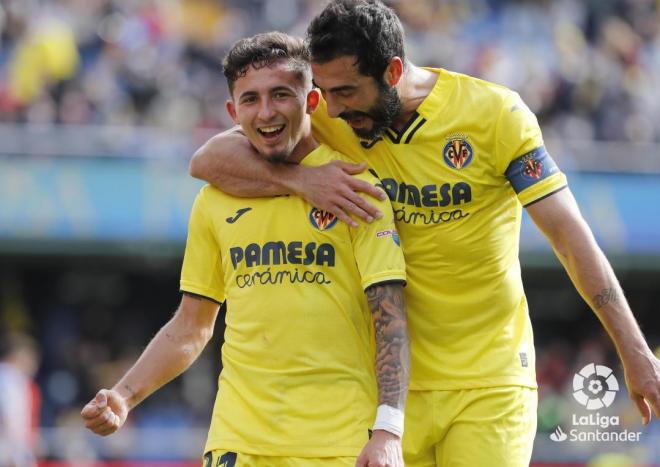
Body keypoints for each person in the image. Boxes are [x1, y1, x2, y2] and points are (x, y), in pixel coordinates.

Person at [188, 1, 660, 466]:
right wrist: (299, 179)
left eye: (347, 92)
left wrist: (634, 353)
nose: (331, 107)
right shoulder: (334, 115)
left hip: (488, 380)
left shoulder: (495, 115)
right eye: (326, 92)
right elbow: (206, 160)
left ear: (392, 72)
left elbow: (570, 238)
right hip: (388, 390)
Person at [81, 32, 410, 467]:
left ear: (311, 102)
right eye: (251, 100)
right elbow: (192, 325)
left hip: (337, 443)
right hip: (238, 442)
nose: (267, 112)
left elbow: (389, 318)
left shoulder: (356, 190)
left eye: (281, 95)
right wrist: (124, 396)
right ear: (234, 113)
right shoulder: (216, 199)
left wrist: (388, 430)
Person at [0, 333, 41, 467]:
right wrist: (17, 455)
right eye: (31, 357)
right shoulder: (10, 377)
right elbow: (11, 418)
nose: (34, 363)